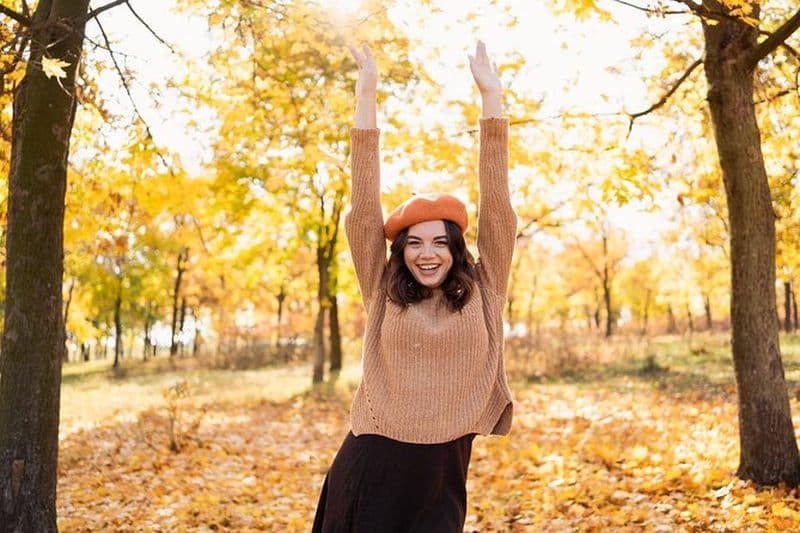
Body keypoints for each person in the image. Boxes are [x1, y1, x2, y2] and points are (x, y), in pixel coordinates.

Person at [312, 40, 516, 532]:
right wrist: (367, 96)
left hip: (443, 472)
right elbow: (363, 209)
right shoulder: (382, 288)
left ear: (456, 248)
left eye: (440, 242)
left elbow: (497, 205)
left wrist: (492, 98)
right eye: (415, 243)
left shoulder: (485, 288)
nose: (428, 253)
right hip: (374, 458)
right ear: (399, 251)